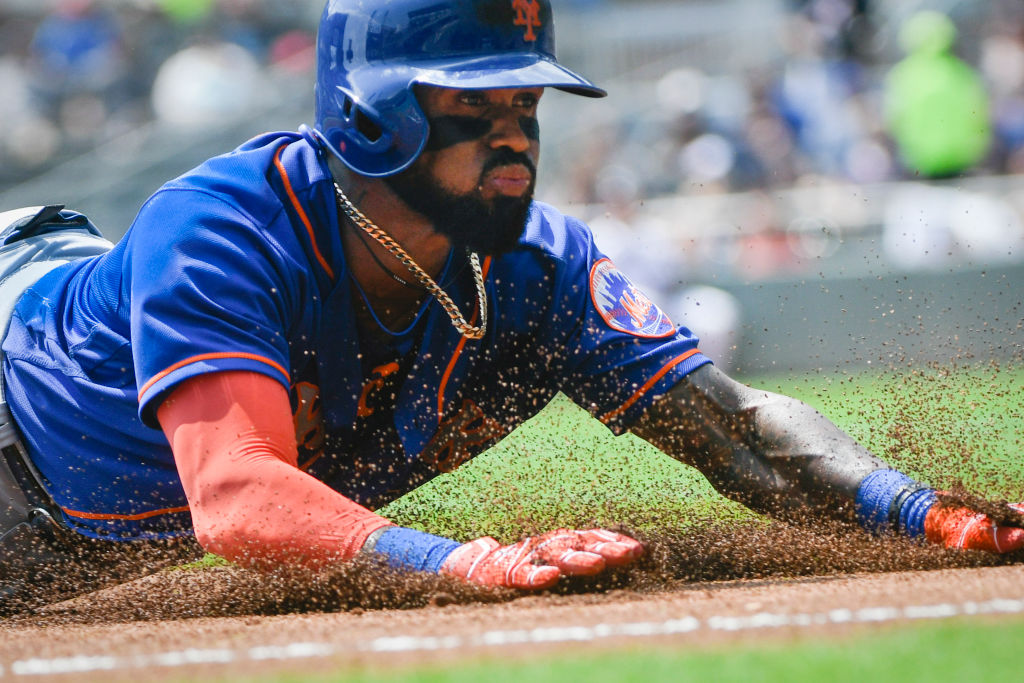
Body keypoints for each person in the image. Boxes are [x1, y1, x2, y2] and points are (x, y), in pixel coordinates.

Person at [1, 0, 1021, 613]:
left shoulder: (538, 269)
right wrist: (468, 562)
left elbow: (735, 431)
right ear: (370, 114)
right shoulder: (226, 226)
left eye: (525, 108)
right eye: (474, 110)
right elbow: (234, 493)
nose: (516, 138)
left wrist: (923, 509)